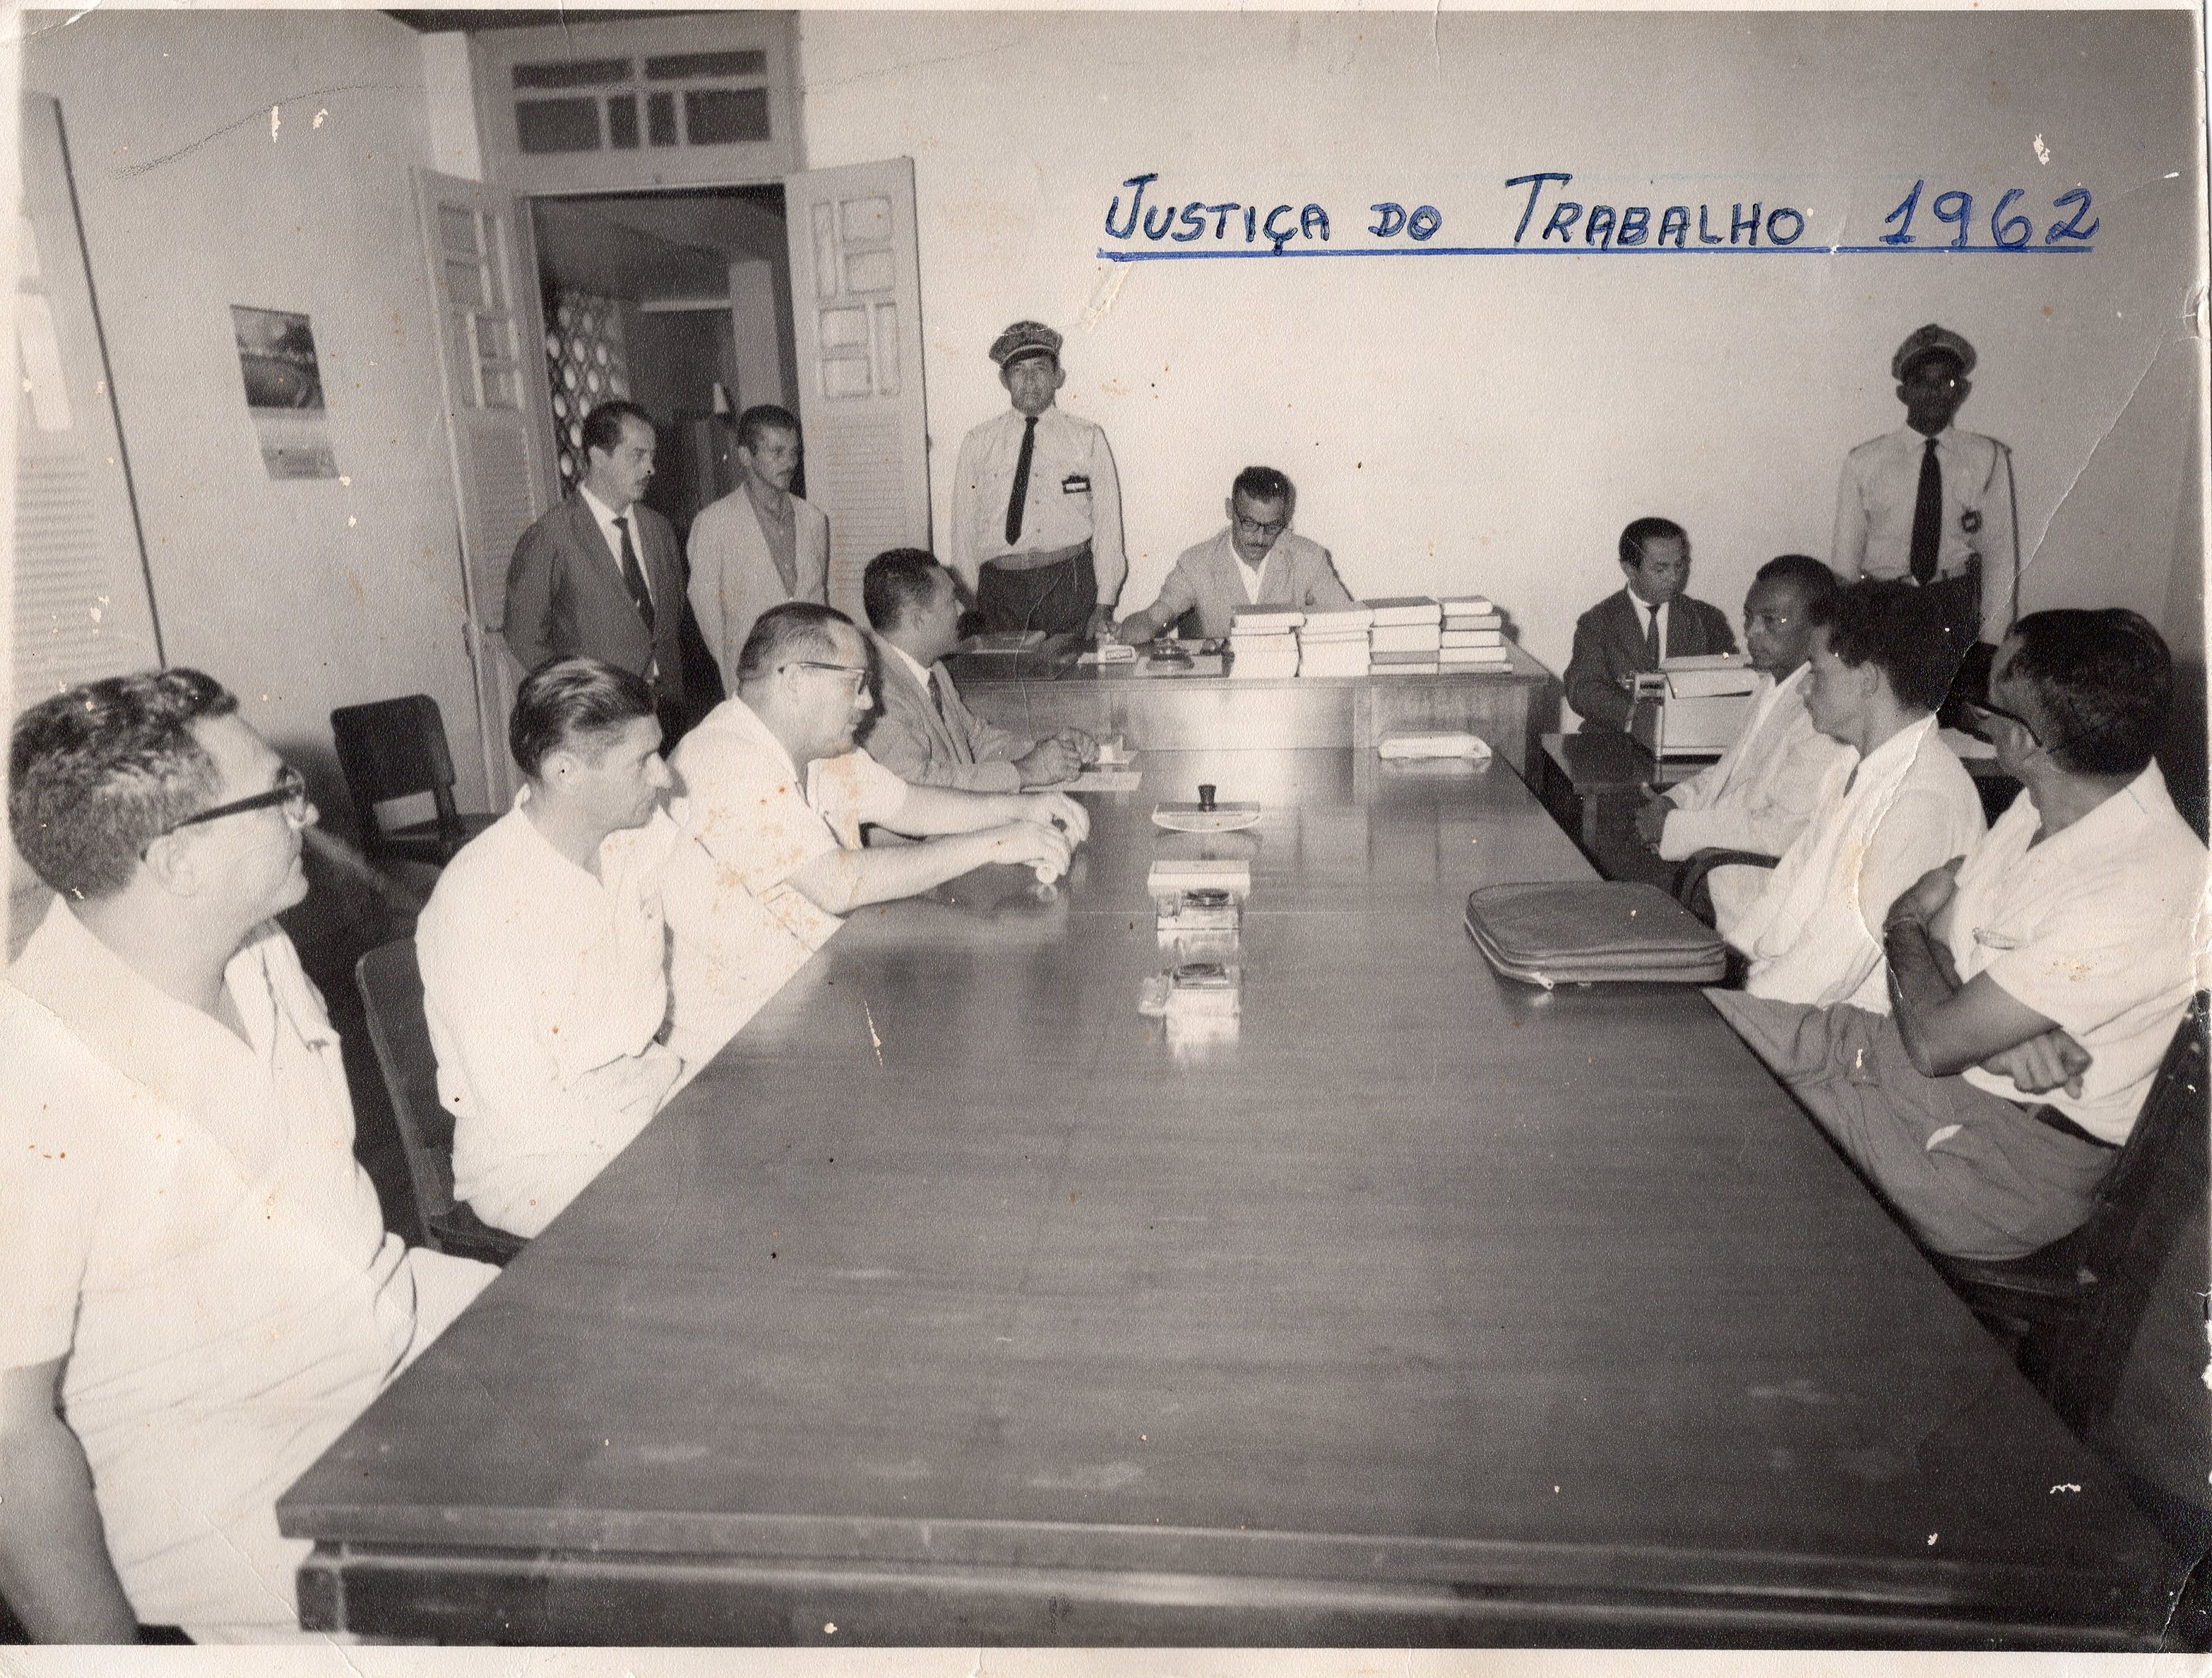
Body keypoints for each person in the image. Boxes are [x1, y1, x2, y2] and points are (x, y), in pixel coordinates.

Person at [0, 670, 494, 1641]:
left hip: (394, 1340)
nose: (306, 811)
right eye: (277, 795)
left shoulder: (256, 942)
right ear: (179, 861)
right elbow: (13, 1437)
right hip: (243, 1484)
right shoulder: (33, 1082)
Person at [1710, 609, 2204, 1261]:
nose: (1974, 713)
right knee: (1687, 1033)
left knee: (1712, 1131)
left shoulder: (2140, 887)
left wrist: (1905, 921)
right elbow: (1948, 972)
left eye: (1989, 704)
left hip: (1988, 1158)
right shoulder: (2050, 797)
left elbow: (1936, 1035)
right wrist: (1988, 1029)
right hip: (1895, 1062)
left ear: (2024, 744)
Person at [660, 603, 1088, 1051]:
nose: (868, 701)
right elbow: (838, 884)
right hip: (739, 1038)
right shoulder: (726, 758)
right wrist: (993, 843)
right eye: (855, 684)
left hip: (813, 989)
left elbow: (913, 807)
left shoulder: (818, 748)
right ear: (795, 682)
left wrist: (1025, 808)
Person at [416, 659, 685, 1240]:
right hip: (540, 1162)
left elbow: (723, 904)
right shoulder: (479, 900)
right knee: (709, 1220)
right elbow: (525, 1109)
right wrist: (676, 1154)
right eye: (643, 761)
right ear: (566, 772)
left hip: (644, 1100)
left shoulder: (635, 837)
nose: (664, 777)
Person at [1725, 581, 1985, 1010]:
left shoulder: (1921, 800)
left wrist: (1730, 1012)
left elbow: (1830, 969)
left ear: (1866, 680)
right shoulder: (1850, 763)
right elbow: (1780, 895)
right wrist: (1719, 972)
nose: (1803, 689)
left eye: (1817, 671)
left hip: (1852, 1033)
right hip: (1789, 998)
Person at [1633, 555, 1853, 925]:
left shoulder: (1821, 709)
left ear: (1820, 626)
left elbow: (1782, 830)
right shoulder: (1771, 684)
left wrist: (1675, 827)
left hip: (1753, 891)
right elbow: (1727, 774)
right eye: (1749, 618)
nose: (1752, 633)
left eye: (1771, 621)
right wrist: (1672, 801)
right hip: (1713, 867)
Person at [504, 398, 690, 740]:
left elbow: (672, 613)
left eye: (652, 457)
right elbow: (523, 636)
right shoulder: (549, 537)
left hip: (669, 714)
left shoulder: (660, 530)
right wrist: (579, 695)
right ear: (598, 457)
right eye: (637, 456)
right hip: (598, 722)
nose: (651, 469)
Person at [1831, 323, 2020, 655]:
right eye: (1921, 382)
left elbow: (1999, 558)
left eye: (1945, 382)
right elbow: (1845, 565)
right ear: (1903, 393)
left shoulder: (1986, 458)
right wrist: (1842, 638)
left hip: (1952, 607)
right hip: (1883, 607)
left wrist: (1991, 645)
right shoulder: (1865, 462)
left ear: (1961, 391)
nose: (1934, 392)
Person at [862, 547, 1095, 791]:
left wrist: (1048, 750)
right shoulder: (877, 692)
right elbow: (916, 785)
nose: (962, 609)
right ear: (918, 619)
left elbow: (976, 740)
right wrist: (1024, 772)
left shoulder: (933, 668)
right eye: (952, 601)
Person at [947, 321, 1124, 639]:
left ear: (1058, 377)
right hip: (999, 593)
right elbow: (963, 532)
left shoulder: (1087, 438)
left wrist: (1104, 604)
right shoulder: (978, 443)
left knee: (1072, 683)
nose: (1030, 381)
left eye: (1040, 369)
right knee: (1001, 686)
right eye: (1019, 371)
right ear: (1004, 380)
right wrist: (967, 607)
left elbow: (1108, 527)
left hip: (1068, 585)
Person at [686, 403, 831, 697]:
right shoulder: (714, 522)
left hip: (811, 678)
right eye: (777, 452)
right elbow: (709, 617)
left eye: (794, 452)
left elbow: (818, 600)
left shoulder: (814, 519)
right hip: (751, 684)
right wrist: (738, 666)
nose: (790, 462)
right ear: (745, 456)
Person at [1112, 466, 1354, 643]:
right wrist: (1121, 632)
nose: (1260, 539)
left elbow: (1348, 622)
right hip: (1222, 695)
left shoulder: (1309, 558)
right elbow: (1154, 618)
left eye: (1272, 527)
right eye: (1249, 523)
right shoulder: (1196, 563)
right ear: (1230, 510)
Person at [1563, 516, 1737, 731]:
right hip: (1616, 739)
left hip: (1687, 735)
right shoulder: (1598, 622)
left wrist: (1727, 659)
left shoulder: (1707, 618)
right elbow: (1583, 688)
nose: (1674, 578)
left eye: (1679, 566)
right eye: (1661, 569)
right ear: (1629, 569)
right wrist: (1640, 715)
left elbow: (1730, 664)